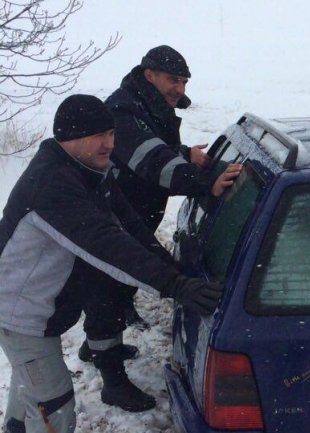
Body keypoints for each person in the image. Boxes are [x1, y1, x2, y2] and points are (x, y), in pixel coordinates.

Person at [0, 94, 224, 433]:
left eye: (111, 133)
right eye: (99, 136)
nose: (110, 144)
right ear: (70, 138)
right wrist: (175, 287)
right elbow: (109, 246)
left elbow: (130, 227)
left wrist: (175, 273)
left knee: (29, 388)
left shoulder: (89, 169)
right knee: (54, 404)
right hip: (18, 314)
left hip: (33, 308)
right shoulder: (53, 186)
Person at [76, 45, 241, 411]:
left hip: (134, 213)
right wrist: (204, 182)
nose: (179, 88)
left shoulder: (148, 104)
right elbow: (151, 159)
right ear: (149, 74)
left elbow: (159, 147)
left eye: (182, 81)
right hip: (112, 217)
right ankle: (111, 380)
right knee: (107, 290)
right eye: (172, 79)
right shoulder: (122, 109)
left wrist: (184, 153)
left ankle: (98, 344)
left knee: (120, 285)